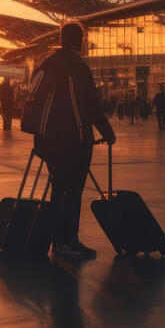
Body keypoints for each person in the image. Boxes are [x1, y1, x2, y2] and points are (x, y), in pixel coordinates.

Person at [29, 21, 115, 259]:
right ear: (81, 41)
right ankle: (69, 239)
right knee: (73, 191)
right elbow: (91, 105)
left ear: (61, 38)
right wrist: (106, 131)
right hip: (75, 140)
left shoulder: (47, 64)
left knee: (57, 189)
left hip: (47, 139)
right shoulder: (78, 67)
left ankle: (57, 241)